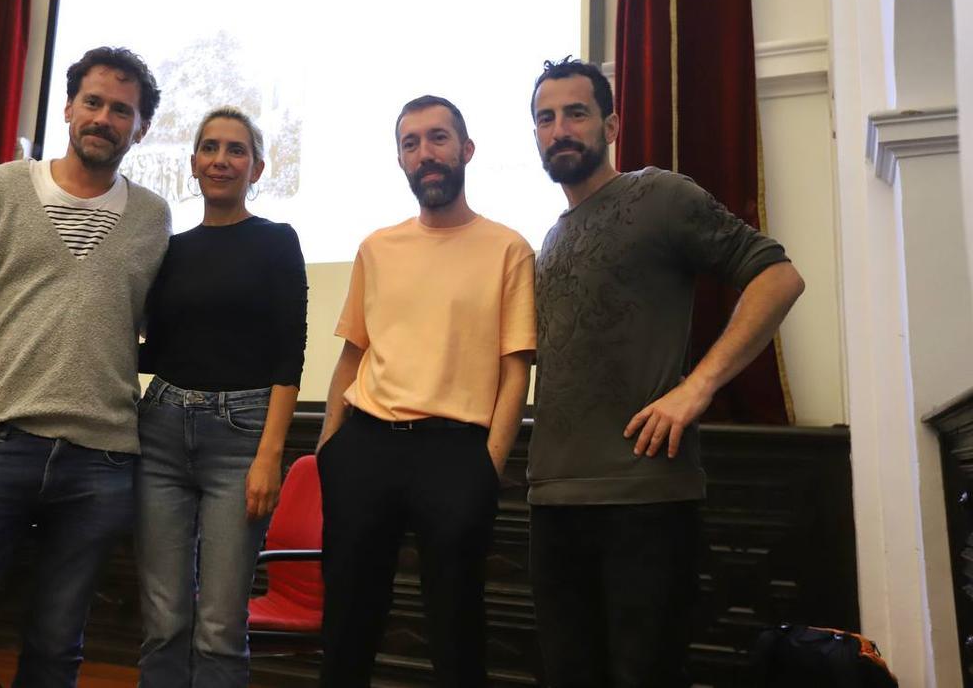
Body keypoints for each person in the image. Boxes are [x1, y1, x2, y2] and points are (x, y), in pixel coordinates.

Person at [0, 46, 171, 687]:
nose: (104, 117)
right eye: (94, 102)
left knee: (54, 654)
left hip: (100, 464)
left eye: (122, 109)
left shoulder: (155, 217)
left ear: (141, 128)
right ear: (70, 108)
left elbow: (162, 330)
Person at [526, 56, 806, 688]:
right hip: (553, 499)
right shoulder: (550, 239)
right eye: (546, 118)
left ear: (612, 124)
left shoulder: (659, 195)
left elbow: (778, 277)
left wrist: (697, 387)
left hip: (644, 498)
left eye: (576, 112)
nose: (560, 129)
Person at [314, 95, 536, 687]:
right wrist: (330, 448)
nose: (425, 154)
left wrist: (489, 465)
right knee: (348, 621)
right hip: (364, 446)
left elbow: (517, 368)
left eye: (438, 138)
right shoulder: (377, 248)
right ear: (401, 161)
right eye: (410, 144)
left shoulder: (509, 248)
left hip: (456, 452)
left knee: (456, 622)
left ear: (466, 150)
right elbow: (352, 354)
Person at [135, 106, 308, 687]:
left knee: (219, 626)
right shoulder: (170, 249)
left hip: (242, 441)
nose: (221, 160)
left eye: (236, 150)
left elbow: (290, 357)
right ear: (193, 164)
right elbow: (152, 350)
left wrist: (269, 455)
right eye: (210, 148)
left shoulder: (277, 242)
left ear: (257, 167)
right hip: (159, 431)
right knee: (163, 621)